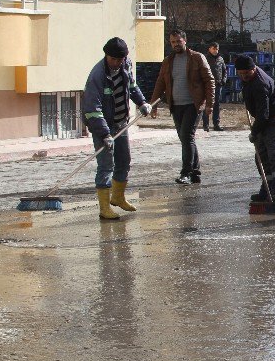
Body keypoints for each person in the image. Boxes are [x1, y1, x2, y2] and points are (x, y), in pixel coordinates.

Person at [81, 37, 151, 220]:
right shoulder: (97, 75)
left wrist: (142, 102)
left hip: (121, 123)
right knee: (106, 166)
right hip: (102, 127)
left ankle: (118, 197)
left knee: (124, 161)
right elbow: (92, 109)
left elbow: (132, 86)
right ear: (106, 56)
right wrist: (105, 134)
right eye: (113, 60)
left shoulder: (126, 64)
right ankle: (104, 208)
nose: (116, 63)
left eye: (120, 60)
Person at [149, 29, 215, 184]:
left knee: (186, 136)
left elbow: (209, 81)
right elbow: (160, 83)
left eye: (178, 41)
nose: (176, 44)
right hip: (176, 105)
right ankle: (195, 171)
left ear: (185, 40)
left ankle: (186, 172)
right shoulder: (168, 61)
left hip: (193, 104)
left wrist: (210, 104)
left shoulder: (197, 58)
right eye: (173, 42)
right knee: (186, 138)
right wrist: (153, 104)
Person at [236, 55, 275, 203]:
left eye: (246, 73)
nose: (243, 76)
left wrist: (254, 132)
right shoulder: (249, 78)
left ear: (254, 69)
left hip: (274, 119)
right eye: (240, 74)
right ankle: (267, 189)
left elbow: (263, 115)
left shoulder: (260, 84)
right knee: (261, 156)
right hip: (262, 118)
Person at [203, 41, 227, 131]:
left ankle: (216, 124)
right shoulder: (205, 58)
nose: (215, 51)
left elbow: (224, 70)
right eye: (214, 49)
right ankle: (206, 124)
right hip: (207, 85)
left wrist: (223, 80)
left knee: (217, 104)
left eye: (217, 49)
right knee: (207, 104)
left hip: (218, 85)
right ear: (209, 49)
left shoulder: (220, 58)